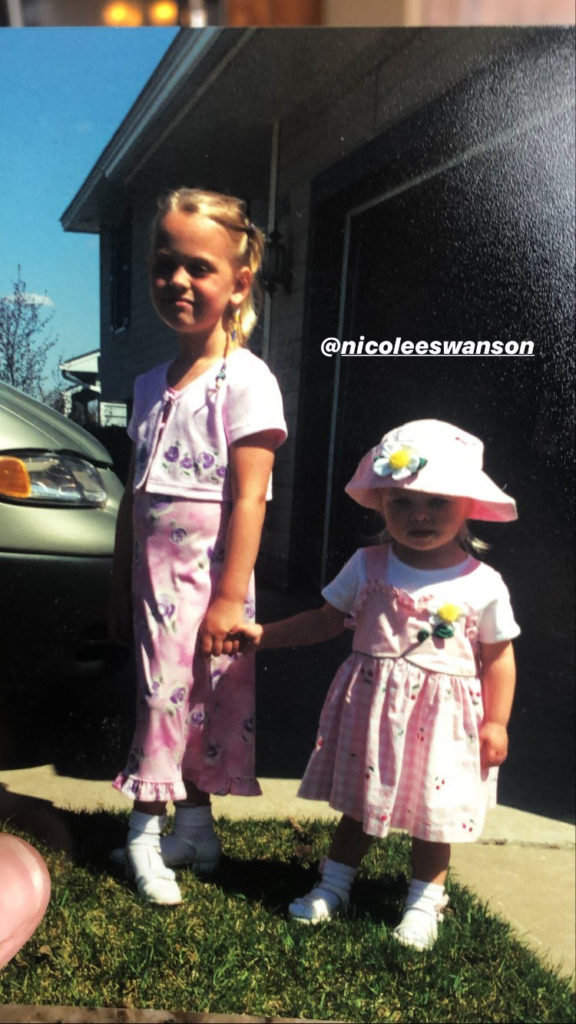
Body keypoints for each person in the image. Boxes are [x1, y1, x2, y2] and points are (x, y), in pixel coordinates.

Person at [237, 419, 519, 950]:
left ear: (466, 505)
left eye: (437, 502)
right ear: (381, 505)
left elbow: (499, 656)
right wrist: (264, 636)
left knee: (434, 820)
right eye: (402, 502)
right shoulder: (368, 565)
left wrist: (497, 721)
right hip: (376, 712)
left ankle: (423, 901)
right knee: (361, 806)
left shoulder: (482, 583)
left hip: (445, 722)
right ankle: (334, 883)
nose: (419, 516)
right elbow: (324, 620)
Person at [109, 188, 287, 905]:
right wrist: (118, 582)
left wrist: (225, 599)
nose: (178, 281)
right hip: (154, 581)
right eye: (164, 265)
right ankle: (187, 830)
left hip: (208, 580)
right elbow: (135, 497)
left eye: (198, 268)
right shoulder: (151, 384)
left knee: (193, 701)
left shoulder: (245, 380)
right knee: (166, 697)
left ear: (238, 281)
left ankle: (150, 834)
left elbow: (249, 497)